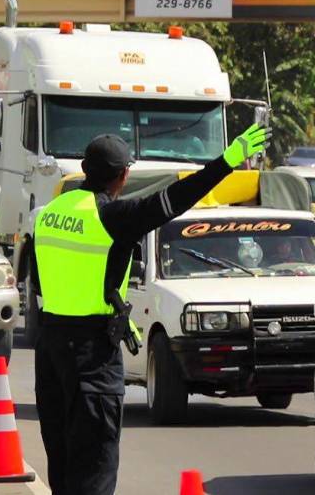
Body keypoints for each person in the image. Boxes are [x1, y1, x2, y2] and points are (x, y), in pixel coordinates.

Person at [33, 123, 271, 495]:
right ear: (123, 175)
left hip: (49, 347)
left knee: (62, 459)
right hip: (91, 352)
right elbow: (177, 198)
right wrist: (227, 161)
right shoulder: (112, 218)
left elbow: (38, 278)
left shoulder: (49, 212)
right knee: (94, 462)